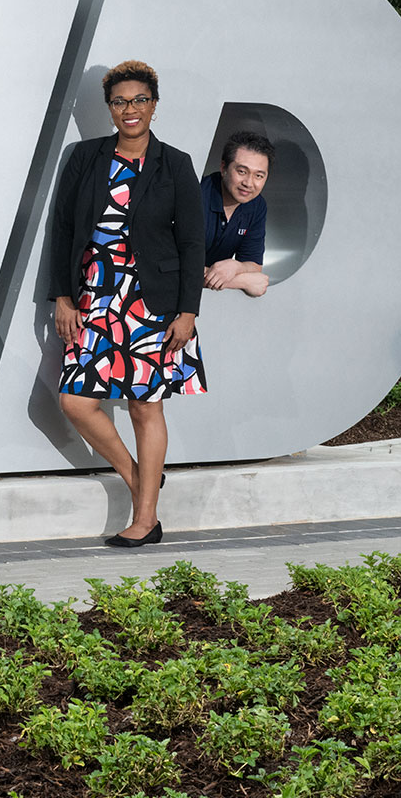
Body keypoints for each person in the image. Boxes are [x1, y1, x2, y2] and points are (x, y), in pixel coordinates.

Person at [48, 59, 207, 549]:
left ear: (154, 106)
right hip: (94, 296)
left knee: (145, 407)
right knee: (75, 399)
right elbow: (63, 230)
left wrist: (187, 311)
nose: (130, 109)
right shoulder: (86, 157)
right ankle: (140, 478)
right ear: (109, 109)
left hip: (152, 301)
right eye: (120, 101)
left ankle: (145, 519)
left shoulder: (175, 163)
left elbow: (192, 243)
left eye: (139, 100)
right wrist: (62, 295)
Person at [203, 131, 273, 297]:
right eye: (242, 171)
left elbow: (254, 266)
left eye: (259, 175)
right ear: (223, 168)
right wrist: (241, 281)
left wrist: (236, 267)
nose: (249, 183)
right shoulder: (196, 194)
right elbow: (170, 266)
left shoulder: (257, 205)